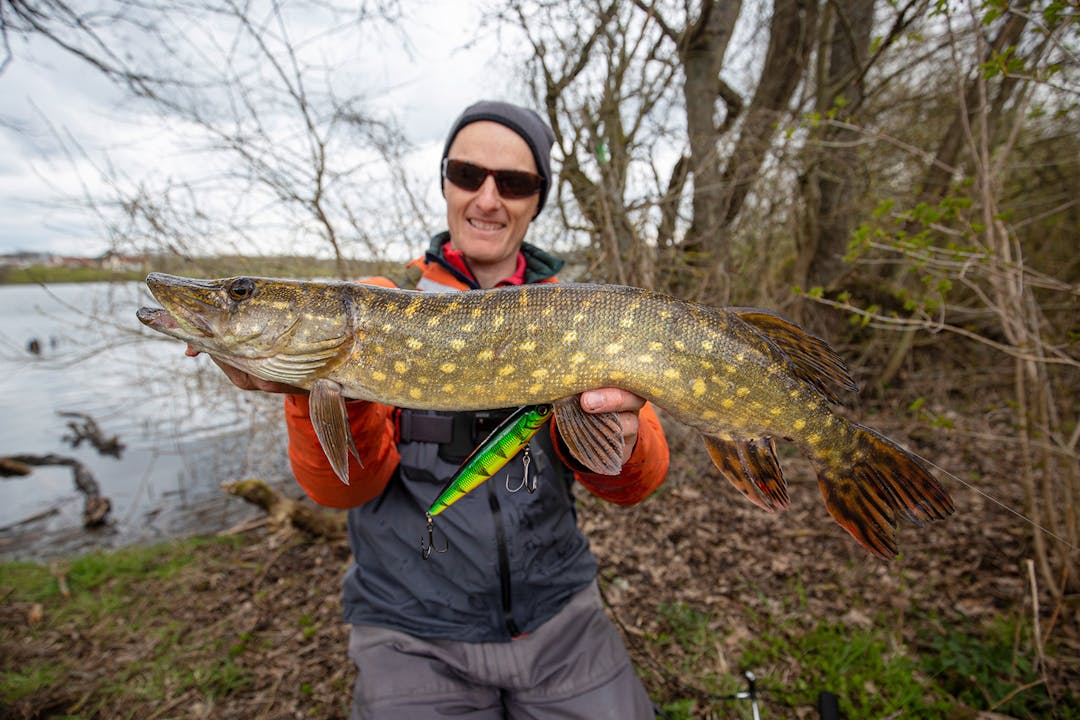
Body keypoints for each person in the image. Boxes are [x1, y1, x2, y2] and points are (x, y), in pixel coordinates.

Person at [198, 100, 670, 719]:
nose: (488, 199)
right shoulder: (380, 304)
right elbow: (343, 491)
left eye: (516, 182)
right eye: (468, 174)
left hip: (562, 618)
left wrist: (619, 434)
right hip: (409, 630)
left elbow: (636, 484)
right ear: (446, 182)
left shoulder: (582, 314)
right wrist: (310, 390)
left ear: (536, 200)